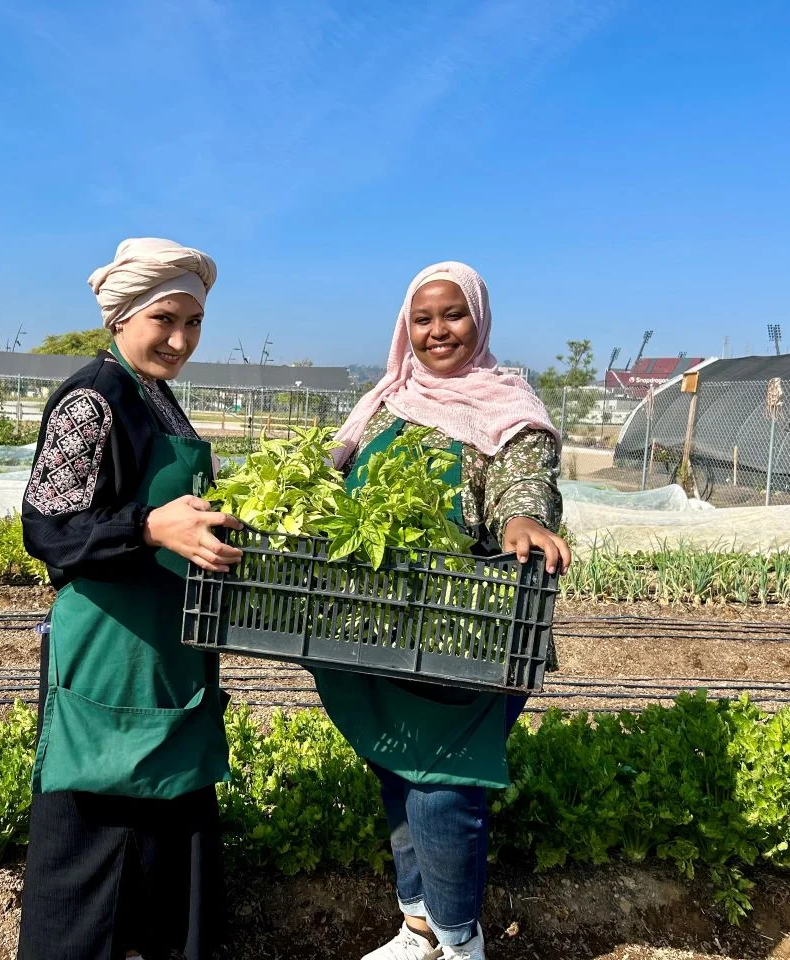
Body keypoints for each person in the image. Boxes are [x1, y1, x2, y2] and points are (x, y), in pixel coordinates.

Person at [314, 262, 572, 960]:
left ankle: (460, 941)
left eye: (452, 315)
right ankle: (417, 927)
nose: (437, 331)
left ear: (478, 319)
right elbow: (328, 481)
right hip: (373, 631)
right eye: (423, 318)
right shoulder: (385, 403)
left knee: (442, 791)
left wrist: (522, 520)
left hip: (469, 636)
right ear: (407, 326)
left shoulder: (507, 409)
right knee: (397, 772)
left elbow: (525, 479)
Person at [16, 237, 242, 960]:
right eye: (165, 320)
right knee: (92, 856)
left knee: (165, 848)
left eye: (194, 322)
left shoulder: (157, 396)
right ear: (122, 317)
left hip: (165, 653)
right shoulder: (93, 399)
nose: (180, 339)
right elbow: (47, 529)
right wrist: (149, 527)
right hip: (111, 653)